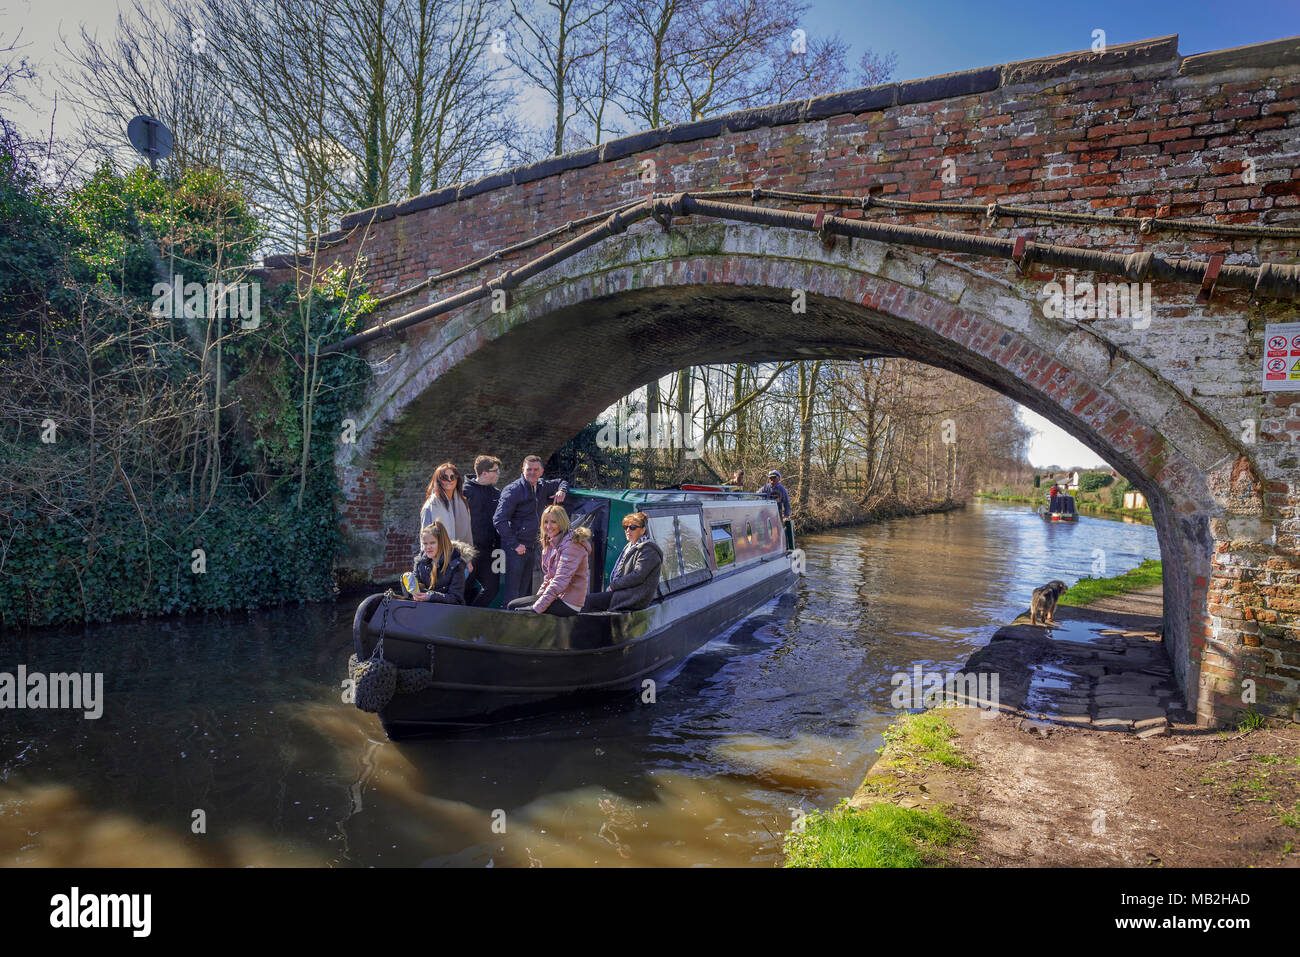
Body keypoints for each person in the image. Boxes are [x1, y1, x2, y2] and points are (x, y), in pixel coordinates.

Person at [493, 455, 568, 604]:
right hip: (516, 547)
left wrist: (562, 490)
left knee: (525, 590)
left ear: (541, 471)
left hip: (532, 545)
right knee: (513, 592)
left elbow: (561, 481)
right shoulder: (513, 490)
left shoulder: (542, 486)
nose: (532, 473)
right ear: (523, 470)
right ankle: (508, 622)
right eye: (529, 470)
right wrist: (515, 545)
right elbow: (499, 519)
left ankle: (521, 623)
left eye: (535, 470)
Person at [506, 505, 591, 616]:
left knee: (516, 608)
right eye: (545, 522)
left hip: (568, 602)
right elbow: (549, 578)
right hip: (557, 596)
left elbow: (560, 581)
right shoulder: (551, 542)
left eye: (553, 522)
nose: (548, 526)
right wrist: (538, 598)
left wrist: (536, 608)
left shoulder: (571, 545)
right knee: (513, 605)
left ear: (562, 523)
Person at [581, 511, 663, 612]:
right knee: (585, 601)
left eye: (633, 527)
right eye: (625, 527)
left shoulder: (648, 550)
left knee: (588, 601)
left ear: (643, 530)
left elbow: (638, 576)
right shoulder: (630, 546)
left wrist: (613, 586)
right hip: (623, 593)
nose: (628, 530)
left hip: (634, 597)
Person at [462, 455, 503, 607]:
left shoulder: (496, 494)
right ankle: (460, 617)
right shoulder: (465, 492)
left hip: (489, 552)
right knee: (463, 589)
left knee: (493, 589)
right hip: (468, 551)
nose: (498, 474)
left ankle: (473, 614)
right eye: (496, 471)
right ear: (484, 473)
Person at [410, 520, 471, 605]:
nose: (428, 547)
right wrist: (409, 585)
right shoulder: (420, 562)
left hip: (448, 614)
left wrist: (429, 596)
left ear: (442, 543)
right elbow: (413, 594)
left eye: (432, 543)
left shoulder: (456, 565)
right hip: (424, 610)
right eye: (425, 544)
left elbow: (456, 599)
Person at [420, 462, 473, 546]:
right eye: (444, 477)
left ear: (457, 480)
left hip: (461, 554)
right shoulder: (431, 505)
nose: (449, 480)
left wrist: (468, 556)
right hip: (440, 555)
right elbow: (424, 537)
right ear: (438, 480)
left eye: (452, 477)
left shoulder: (462, 502)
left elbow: (468, 534)